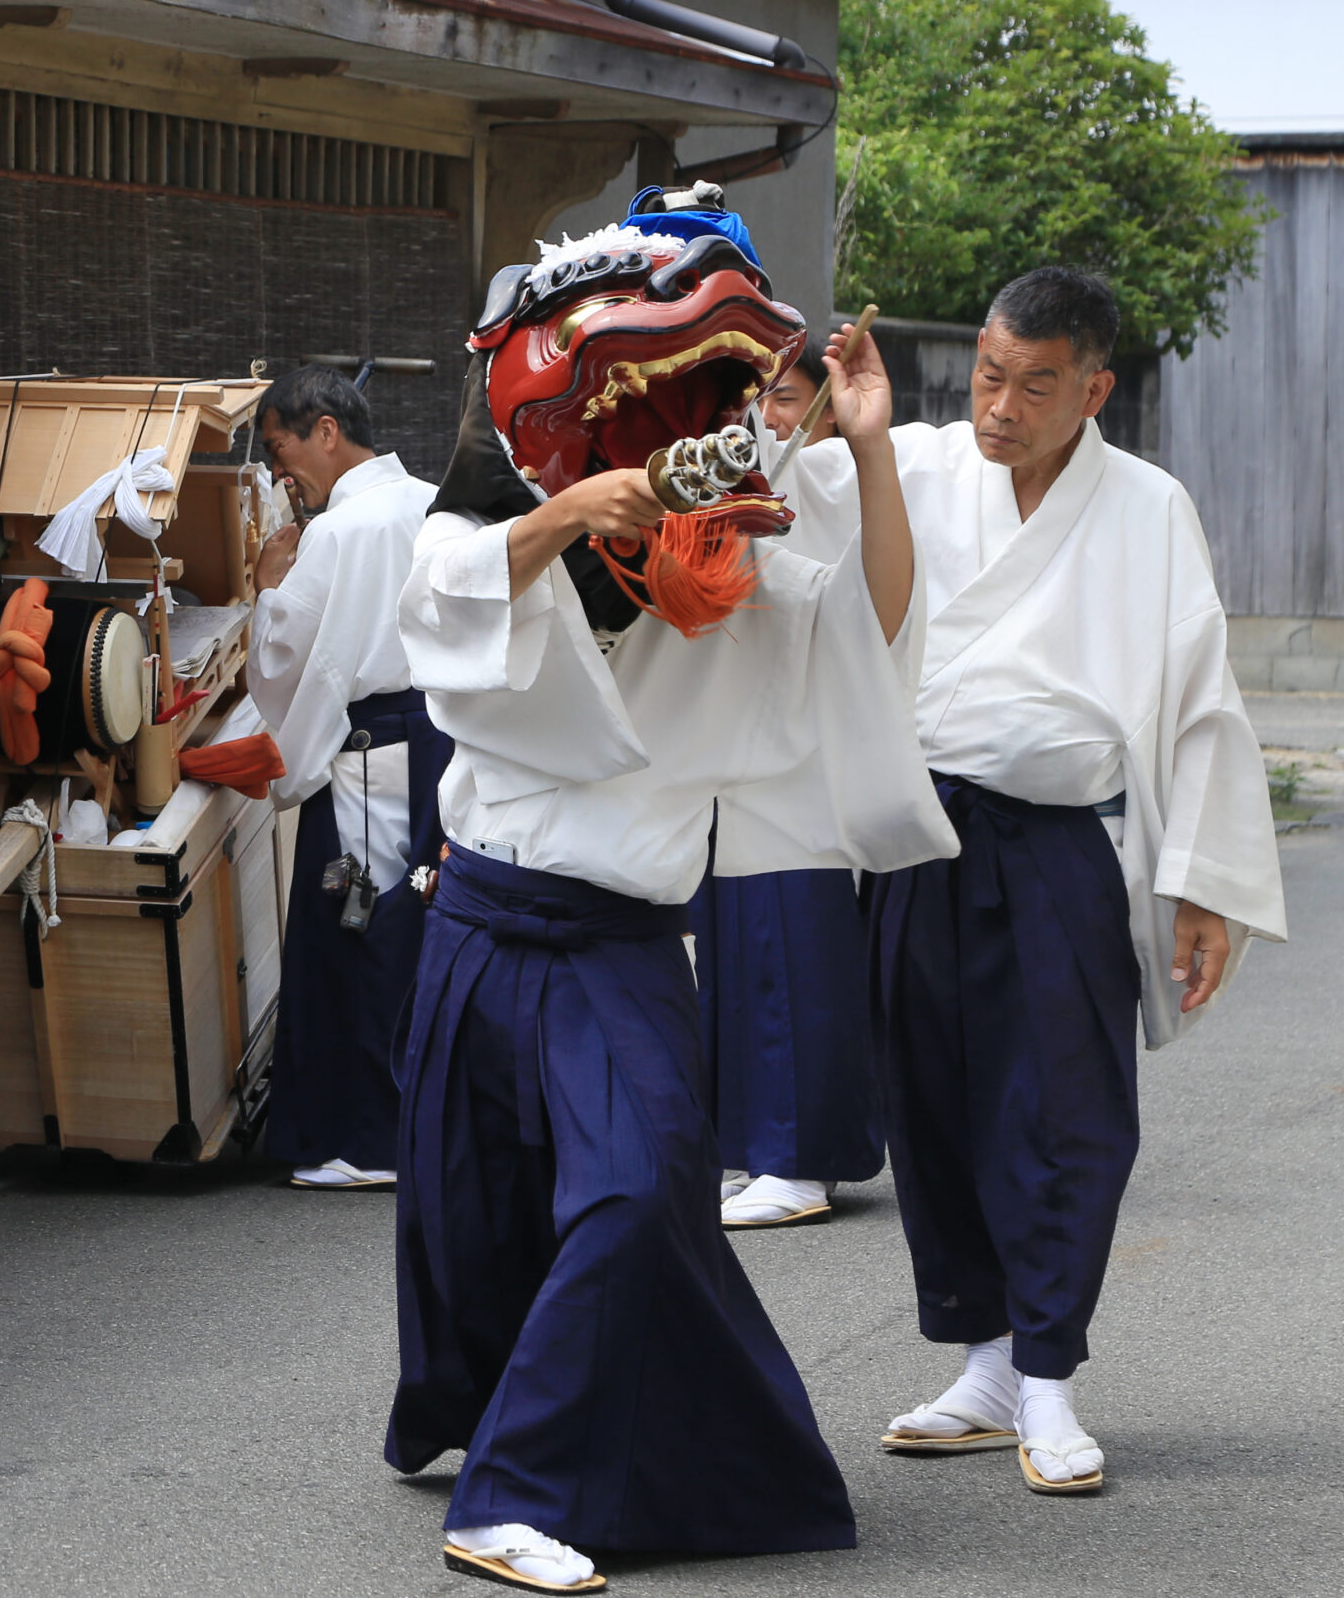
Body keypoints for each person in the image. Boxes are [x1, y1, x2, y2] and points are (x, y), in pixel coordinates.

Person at [386, 194, 958, 1591]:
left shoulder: (770, 488)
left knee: (640, 1189)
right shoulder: (526, 475)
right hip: (479, 905)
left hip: (620, 932)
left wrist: (868, 447)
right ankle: (479, 1417)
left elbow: (879, 627)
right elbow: (436, 602)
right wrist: (576, 510)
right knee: (475, 1216)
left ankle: (510, 1492)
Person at [838, 268, 1286, 1495]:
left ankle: (1047, 1377)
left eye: (1036, 385)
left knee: (1064, 1112)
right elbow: (814, 563)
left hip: (1057, 851)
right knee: (929, 1104)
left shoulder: (1146, 508)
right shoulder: (913, 464)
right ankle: (985, 1362)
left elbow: (1201, 702)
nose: (1001, 406)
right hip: (924, 834)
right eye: (988, 374)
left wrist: (1201, 885)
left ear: (1092, 388)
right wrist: (840, 434)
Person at [685, 335, 882, 1229]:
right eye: (752, 398)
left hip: (800, 741)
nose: (768, 417)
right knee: (737, 950)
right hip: (739, 734)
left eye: (789, 395)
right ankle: (757, 1144)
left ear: (833, 404)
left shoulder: (836, 467)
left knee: (793, 947)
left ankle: (802, 1156)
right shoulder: (754, 465)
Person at [245, 365, 449, 1190]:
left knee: (357, 924)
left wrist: (266, 589)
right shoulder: (435, 499)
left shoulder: (336, 531)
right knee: (419, 919)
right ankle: (423, 1123)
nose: (278, 470)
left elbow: (298, 657)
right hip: (439, 735)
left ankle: (370, 1139)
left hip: (369, 750)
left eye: (279, 446)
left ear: (325, 429)